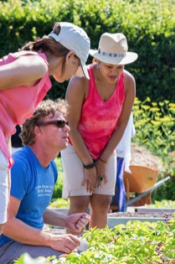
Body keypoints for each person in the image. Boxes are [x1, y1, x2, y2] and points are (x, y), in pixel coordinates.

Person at [0, 21, 90, 237]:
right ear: (69, 57)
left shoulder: (37, 69)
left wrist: (6, 160)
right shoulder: (38, 66)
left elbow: (7, 120)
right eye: (78, 66)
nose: (75, 74)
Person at [61, 32, 137, 232]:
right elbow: (72, 126)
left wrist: (102, 161)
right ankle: (72, 253)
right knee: (79, 202)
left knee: (103, 202)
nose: (115, 72)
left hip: (105, 147)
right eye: (109, 67)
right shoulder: (80, 81)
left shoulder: (128, 83)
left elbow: (121, 125)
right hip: (76, 144)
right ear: (96, 61)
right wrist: (88, 164)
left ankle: (97, 254)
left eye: (119, 67)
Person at [0, 99, 90, 264]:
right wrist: (51, 239)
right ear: (38, 130)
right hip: (5, 247)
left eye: (66, 123)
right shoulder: (20, 165)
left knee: (85, 248)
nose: (67, 128)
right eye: (59, 123)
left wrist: (65, 220)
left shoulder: (51, 168)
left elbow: (32, 208)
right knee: (67, 258)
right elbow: (6, 222)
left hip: (29, 243)